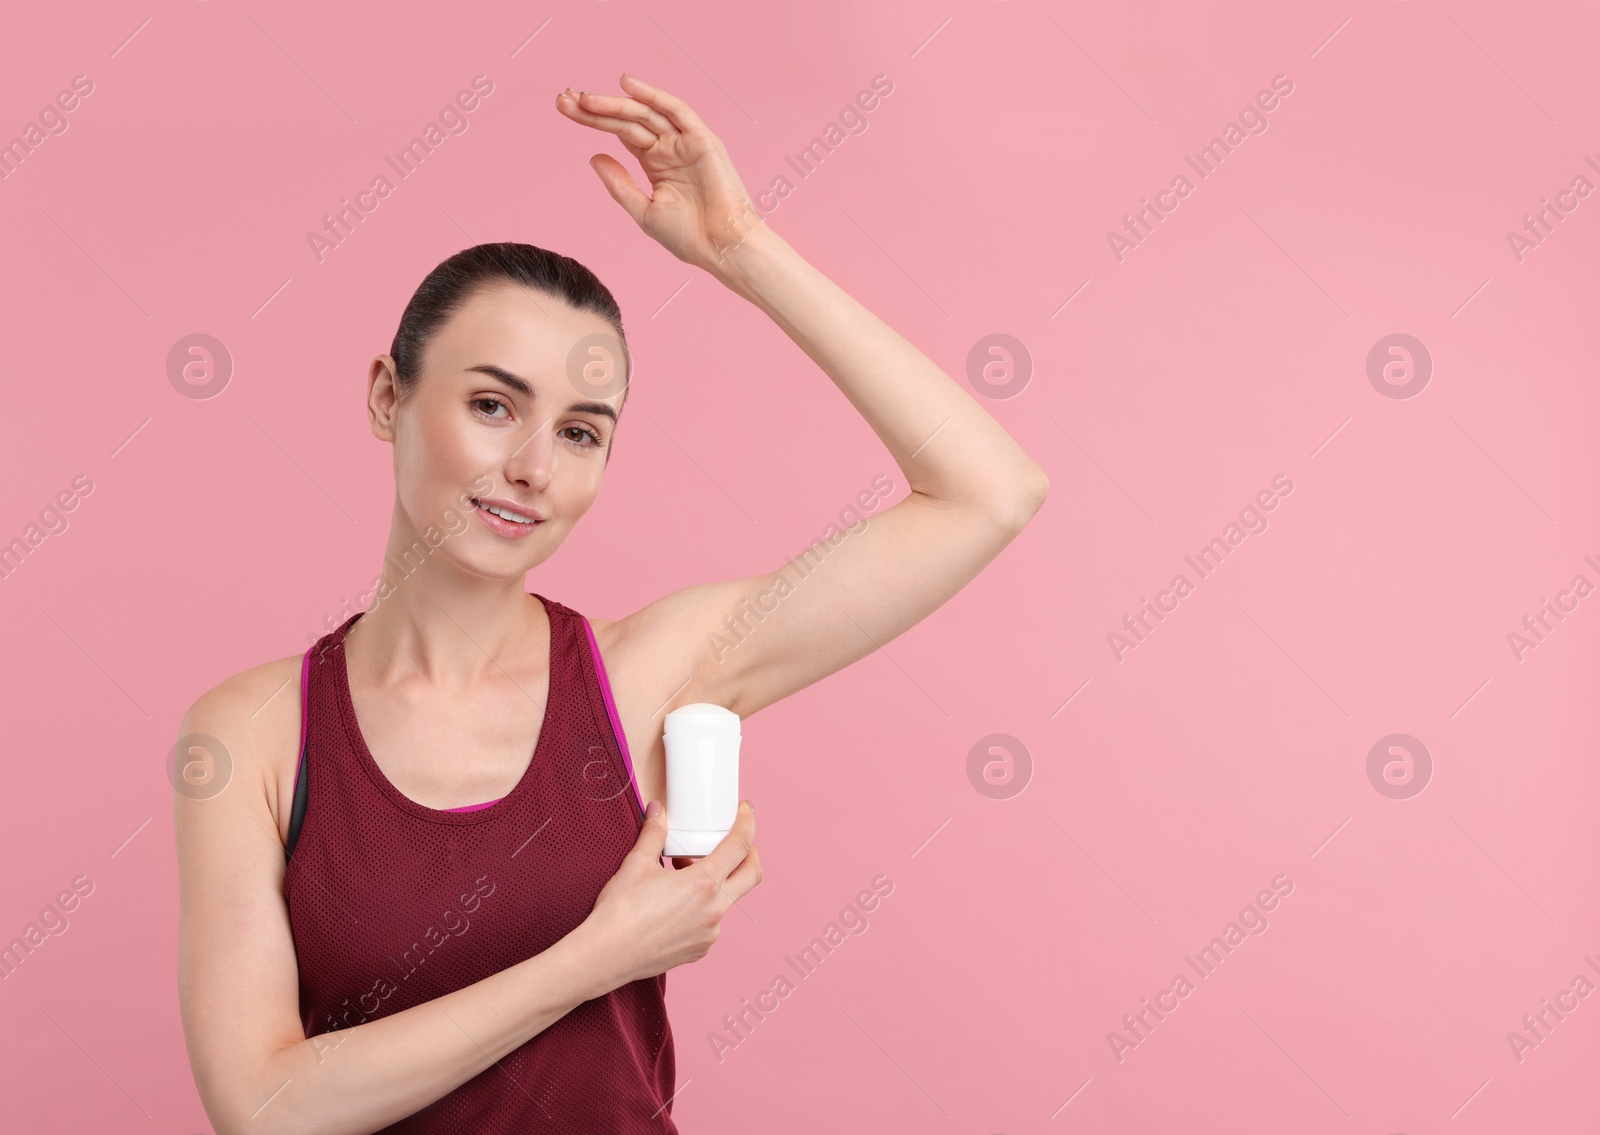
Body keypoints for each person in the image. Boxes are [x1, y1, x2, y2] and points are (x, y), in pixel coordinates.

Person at [174, 73, 1048, 1135]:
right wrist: (599, 957)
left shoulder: (648, 673)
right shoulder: (253, 734)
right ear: (386, 397)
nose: (534, 467)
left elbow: (987, 493)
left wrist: (738, 246)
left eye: (583, 431)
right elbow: (264, 1110)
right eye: (493, 405)